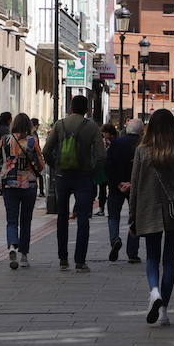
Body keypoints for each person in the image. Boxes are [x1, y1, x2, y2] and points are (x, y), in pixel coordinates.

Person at [129, 109, 174, 326]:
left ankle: (154, 292)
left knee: (151, 257)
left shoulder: (142, 151)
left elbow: (135, 186)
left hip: (148, 209)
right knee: (169, 261)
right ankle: (164, 312)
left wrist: (133, 214)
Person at [44, 95, 105, 271]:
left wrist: (56, 165)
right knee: (83, 217)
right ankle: (80, 261)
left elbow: (47, 150)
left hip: (62, 175)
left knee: (62, 217)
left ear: (71, 108)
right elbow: (101, 155)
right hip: (83, 176)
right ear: (87, 109)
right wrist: (92, 169)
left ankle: (63, 259)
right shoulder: (92, 127)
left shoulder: (60, 124)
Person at [0, 113, 45, 269]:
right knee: (26, 220)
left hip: (10, 184)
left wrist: (4, 172)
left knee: (11, 220)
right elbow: (41, 163)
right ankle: (24, 255)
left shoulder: (5, 140)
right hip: (29, 184)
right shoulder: (32, 140)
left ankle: (12, 246)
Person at [105, 119, 143, 263]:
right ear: (141, 130)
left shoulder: (116, 143)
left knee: (113, 216)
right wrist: (132, 183)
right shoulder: (142, 144)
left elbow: (108, 166)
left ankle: (115, 239)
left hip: (117, 185)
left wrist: (117, 183)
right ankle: (132, 253)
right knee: (135, 217)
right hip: (135, 186)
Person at [96, 123, 117, 219]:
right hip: (104, 169)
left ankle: (108, 209)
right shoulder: (104, 141)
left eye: (104, 133)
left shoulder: (114, 142)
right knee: (102, 189)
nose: (103, 134)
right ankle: (101, 209)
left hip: (111, 169)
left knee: (110, 190)